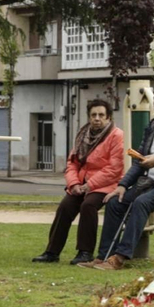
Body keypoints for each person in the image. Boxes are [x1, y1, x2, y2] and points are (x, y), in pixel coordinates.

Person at [85, 85, 154, 270]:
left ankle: (120, 258)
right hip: (149, 181)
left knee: (141, 203)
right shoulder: (153, 124)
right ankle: (103, 257)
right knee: (114, 202)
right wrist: (122, 185)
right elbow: (140, 158)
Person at [32, 99, 125, 265]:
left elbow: (114, 168)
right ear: (89, 117)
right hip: (81, 183)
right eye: (93, 115)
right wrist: (73, 184)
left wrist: (90, 185)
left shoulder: (117, 135)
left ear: (109, 117)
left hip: (105, 184)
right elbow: (72, 163)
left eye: (101, 115)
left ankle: (85, 252)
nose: (97, 118)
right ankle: (52, 252)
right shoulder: (83, 135)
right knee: (65, 207)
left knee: (88, 206)